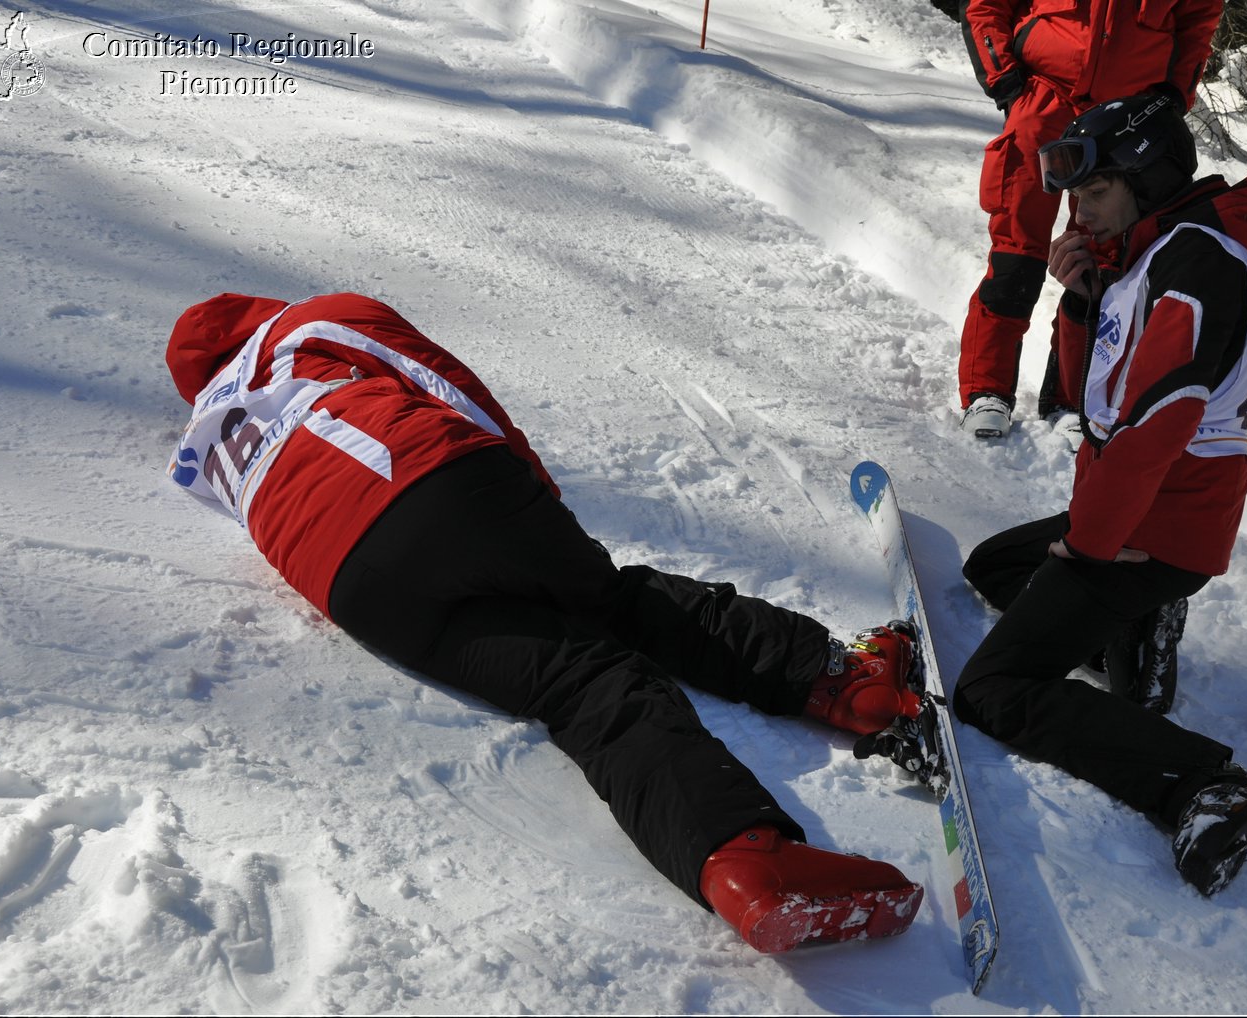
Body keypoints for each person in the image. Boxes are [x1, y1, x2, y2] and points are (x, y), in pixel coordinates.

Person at [164, 291, 927, 953]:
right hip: (437, 480)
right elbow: (449, 386)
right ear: (252, 315)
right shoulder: (308, 324)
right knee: (615, 601)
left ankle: (742, 862)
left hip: (357, 590)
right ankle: (844, 682)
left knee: (580, 682)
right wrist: (535, 498)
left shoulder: (207, 446)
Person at [950, 95, 1247, 896]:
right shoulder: (1149, 256)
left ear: (1145, 178)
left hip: (1160, 522)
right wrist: (1080, 299)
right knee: (996, 565)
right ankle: (1137, 624)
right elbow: (1091, 397)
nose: (1077, 211)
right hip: (1136, 513)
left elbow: (1154, 425)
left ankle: (1212, 787)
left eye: (1095, 190)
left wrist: (1093, 544)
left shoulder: (1197, 264)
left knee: (990, 690)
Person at [954, 0, 1225, 439]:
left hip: (1126, 114)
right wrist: (1005, 78)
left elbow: (1198, 19)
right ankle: (987, 390)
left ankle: (1074, 396)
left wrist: (1173, 94)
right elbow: (985, 5)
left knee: (1101, 262)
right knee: (1016, 255)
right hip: (1043, 98)